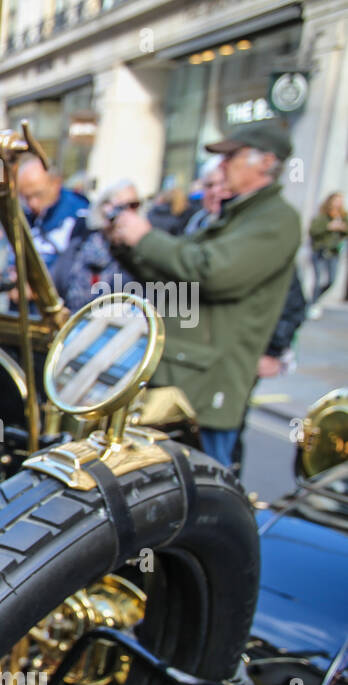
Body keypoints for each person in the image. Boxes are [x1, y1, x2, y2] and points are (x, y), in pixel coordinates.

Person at [110, 123, 301, 466]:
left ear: (265, 162)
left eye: (232, 156)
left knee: (202, 488)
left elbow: (211, 274)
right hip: (184, 375)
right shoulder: (238, 215)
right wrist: (126, 244)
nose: (223, 166)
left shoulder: (274, 218)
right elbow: (173, 278)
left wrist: (145, 238)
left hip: (208, 383)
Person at [50, 178, 140, 313]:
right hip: (76, 323)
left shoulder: (141, 254)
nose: (128, 214)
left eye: (134, 205)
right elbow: (55, 283)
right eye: (120, 206)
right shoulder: (81, 246)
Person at [15, 156, 88, 268]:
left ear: (56, 183)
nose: (32, 203)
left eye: (38, 194)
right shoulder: (25, 216)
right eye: (26, 197)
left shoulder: (80, 216)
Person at [308, 192, 346, 308]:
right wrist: (328, 227)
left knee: (331, 280)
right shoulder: (322, 216)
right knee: (318, 279)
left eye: (340, 201)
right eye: (336, 200)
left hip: (334, 252)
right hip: (320, 250)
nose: (339, 203)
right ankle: (313, 304)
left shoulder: (343, 216)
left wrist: (342, 228)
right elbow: (312, 231)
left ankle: (314, 299)